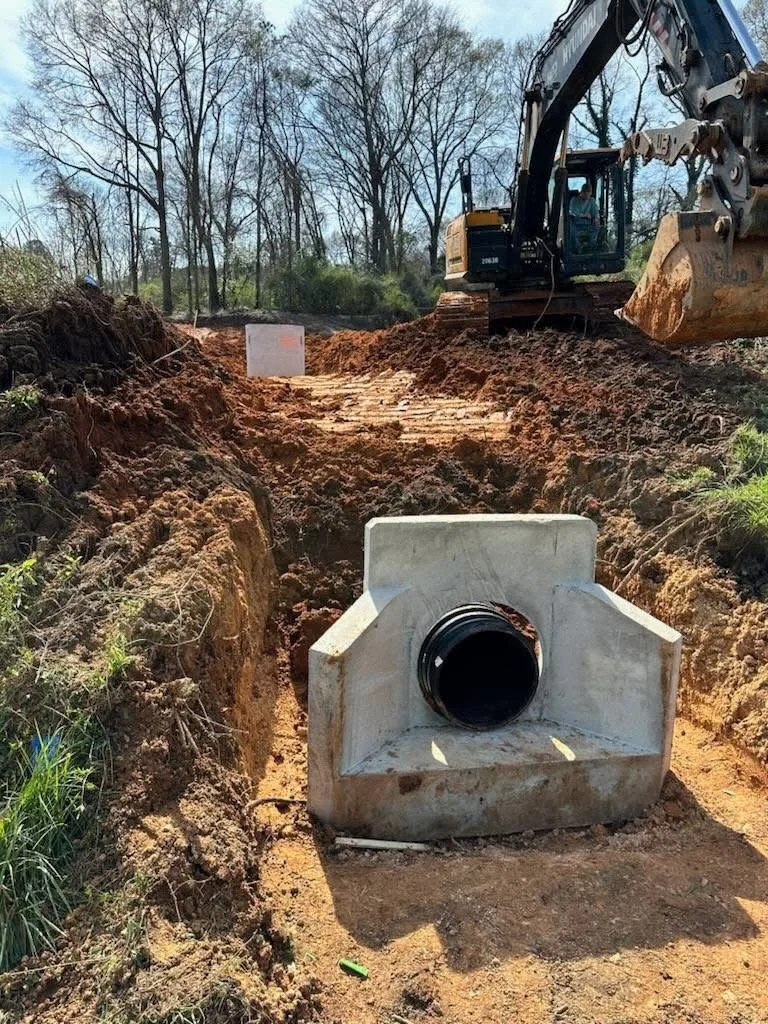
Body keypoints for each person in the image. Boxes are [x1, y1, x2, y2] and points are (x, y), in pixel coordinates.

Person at [568, 182, 600, 251]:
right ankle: (577, 247)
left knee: (597, 225)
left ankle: (591, 245)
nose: (587, 196)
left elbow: (595, 212)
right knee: (570, 225)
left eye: (589, 194)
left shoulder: (592, 201)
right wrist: (584, 215)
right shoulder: (574, 200)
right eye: (585, 194)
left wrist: (596, 218)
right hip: (576, 223)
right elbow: (573, 213)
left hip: (588, 223)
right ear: (582, 192)